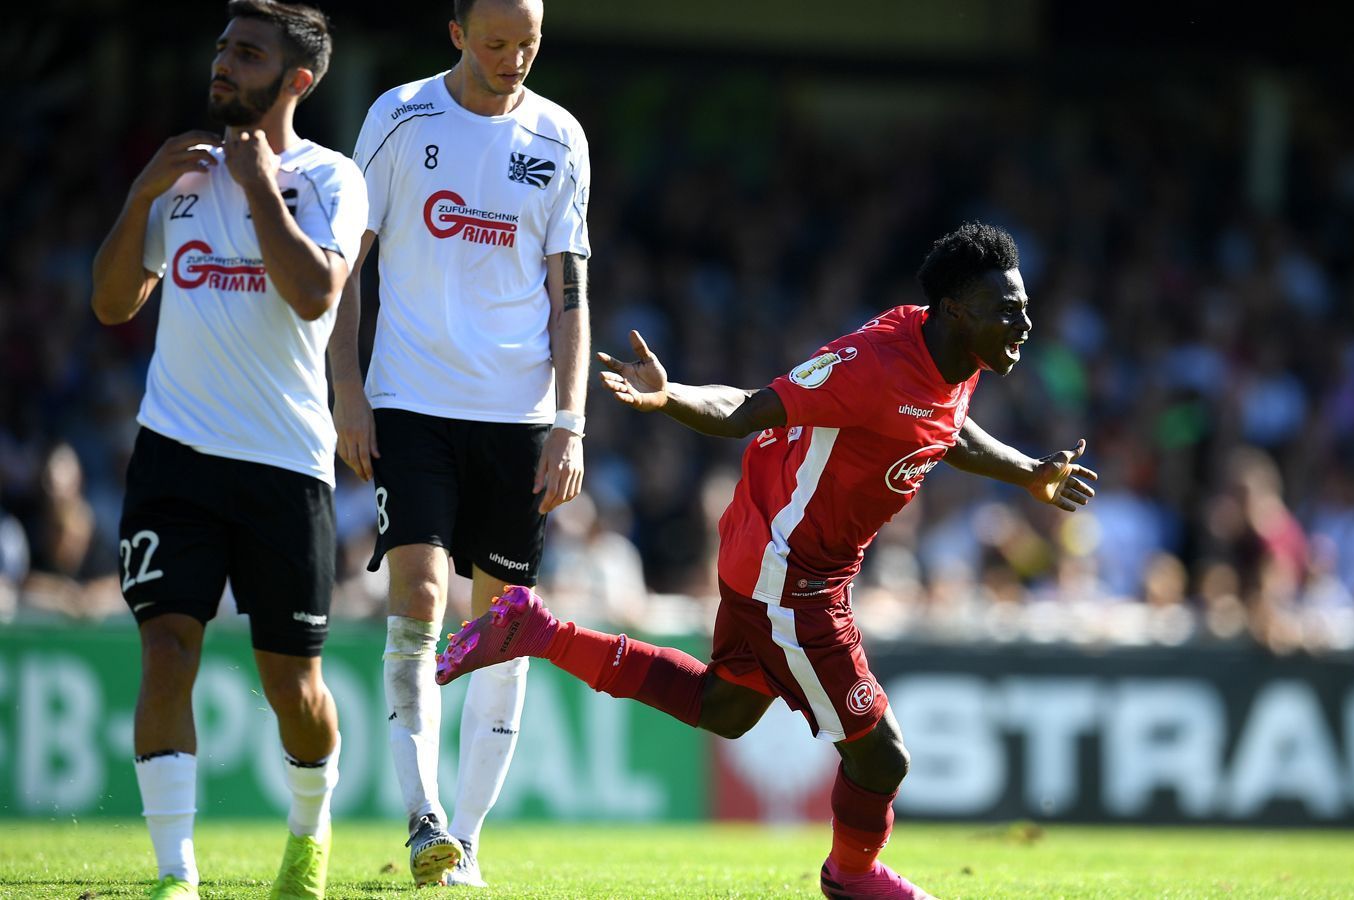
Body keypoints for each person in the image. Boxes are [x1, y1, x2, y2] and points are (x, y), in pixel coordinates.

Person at [438, 222, 1096, 898]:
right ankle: (852, 876)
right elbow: (750, 409)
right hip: (790, 576)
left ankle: (535, 629)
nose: (1025, 322)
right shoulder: (873, 362)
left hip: (783, 558)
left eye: (1022, 306)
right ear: (958, 310)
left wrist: (1026, 473)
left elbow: (944, 428)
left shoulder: (956, 360)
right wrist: (671, 396)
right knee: (881, 756)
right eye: (1007, 309)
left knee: (723, 707)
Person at [88, 2, 362, 898]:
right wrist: (139, 195)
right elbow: (112, 303)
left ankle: (309, 831)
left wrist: (254, 186)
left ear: (296, 80)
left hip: (286, 467)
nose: (223, 64)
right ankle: (176, 874)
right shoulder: (180, 178)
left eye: (246, 54)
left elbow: (316, 293)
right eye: (221, 47)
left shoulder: (330, 179)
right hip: (175, 456)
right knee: (167, 649)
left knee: (295, 689)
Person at [330, 0, 591, 887]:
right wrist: (348, 391)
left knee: (503, 625)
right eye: (496, 43)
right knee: (420, 592)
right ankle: (422, 818)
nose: (514, 59)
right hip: (411, 403)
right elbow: (347, 264)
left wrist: (569, 420)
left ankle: (468, 841)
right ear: (455, 35)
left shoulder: (560, 136)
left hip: (518, 420)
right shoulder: (399, 117)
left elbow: (571, 294)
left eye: (530, 43)